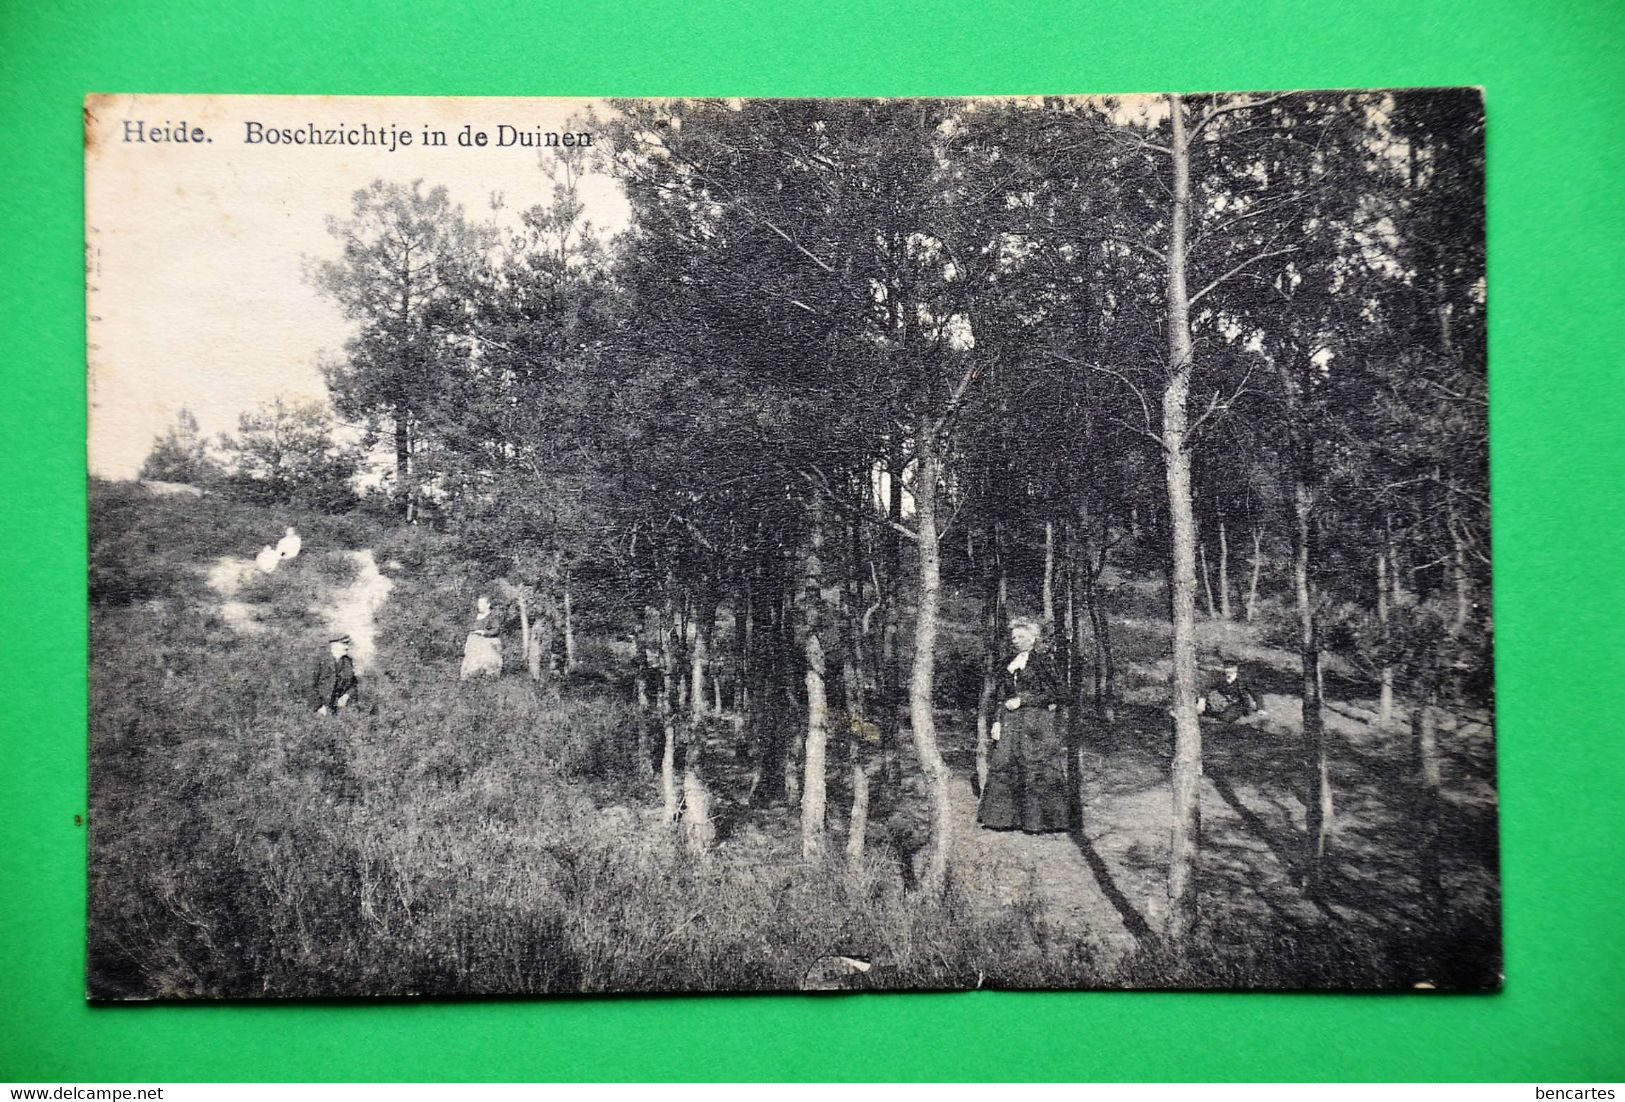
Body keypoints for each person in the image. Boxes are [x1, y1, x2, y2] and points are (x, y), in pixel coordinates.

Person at [977, 616, 1070, 833]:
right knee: (1004, 764)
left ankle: (1040, 822)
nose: (1015, 640)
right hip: (1011, 723)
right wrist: (997, 721)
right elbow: (1002, 695)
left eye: (1020, 636)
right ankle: (1003, 820)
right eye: (1013, 637)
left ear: (1033, 638)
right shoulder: (1009, 662)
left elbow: (1061, 693)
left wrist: (1024, 700)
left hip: (1036, 723)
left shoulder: (1044, 662)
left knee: (1035, 766)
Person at [1198, 658, 1264, 723]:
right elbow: (1207, 687)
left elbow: (1256, 693)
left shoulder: (1244, 679)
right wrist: (1202, 701)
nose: (1228, 670)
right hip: (1222, 702)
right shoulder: (1219, 677)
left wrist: (1260, 708)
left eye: (1231, 668)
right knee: (1203, 709)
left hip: (1238, 704)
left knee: (1227, 717)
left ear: (1236, 668)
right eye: (1226, 668)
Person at [310, 633, 360, 715]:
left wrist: (346, 696)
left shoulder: (348, 661)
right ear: (334, 644)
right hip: (319, 707)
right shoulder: (319, 660)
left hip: (339, 708)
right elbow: (309, 686)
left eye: (347, 643)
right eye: (344, 644)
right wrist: (318, 706)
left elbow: (353, 684)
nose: (347, 647)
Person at [459, 594, 504, 680]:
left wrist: (483, 632)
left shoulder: (492, 617)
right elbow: (471, 627)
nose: (479, 606)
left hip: (487, 641)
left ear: (488, 605)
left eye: (482, 604)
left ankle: (487, 675)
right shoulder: (476, 616)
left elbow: (496, 630)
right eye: (479, 604)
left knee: (486, 658)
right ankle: (472, 675)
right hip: (474, 640)